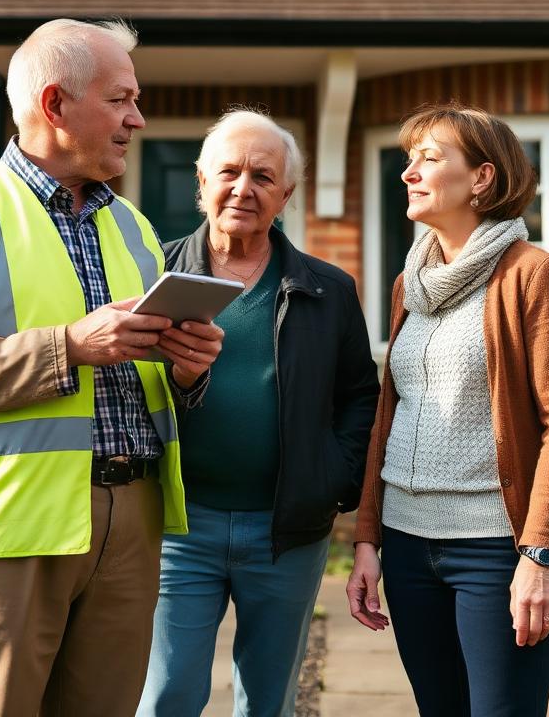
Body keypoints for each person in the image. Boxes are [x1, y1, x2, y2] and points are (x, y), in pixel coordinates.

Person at [0, 18, 224, 717]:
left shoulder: (134, 226)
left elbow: (141, 377)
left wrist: (189, 370)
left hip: (132, 523)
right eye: (121, 98)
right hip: (8, 530)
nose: (138, 117)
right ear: (56, 104)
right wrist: (65, 346)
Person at [346, 102, 549, 717]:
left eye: (429, 159)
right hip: (406, 544)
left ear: (482, 178)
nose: (409, 172)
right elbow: (390, 416)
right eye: (409, 160)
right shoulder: (412, 281)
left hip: (493, 547)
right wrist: (368, 539)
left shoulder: (534, 275)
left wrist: (541, 553)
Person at [137, 110, 380, 717]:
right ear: (201, 181)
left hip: (287, 530)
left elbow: (359, 396)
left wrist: (334, 479)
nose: (244, 188)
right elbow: (120, 388)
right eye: (229, 172)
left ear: (286, 195)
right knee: (165, 694)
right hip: (177, 527)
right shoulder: (155, 276)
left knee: (267, 701)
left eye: (263, 177)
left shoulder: (328, 290)